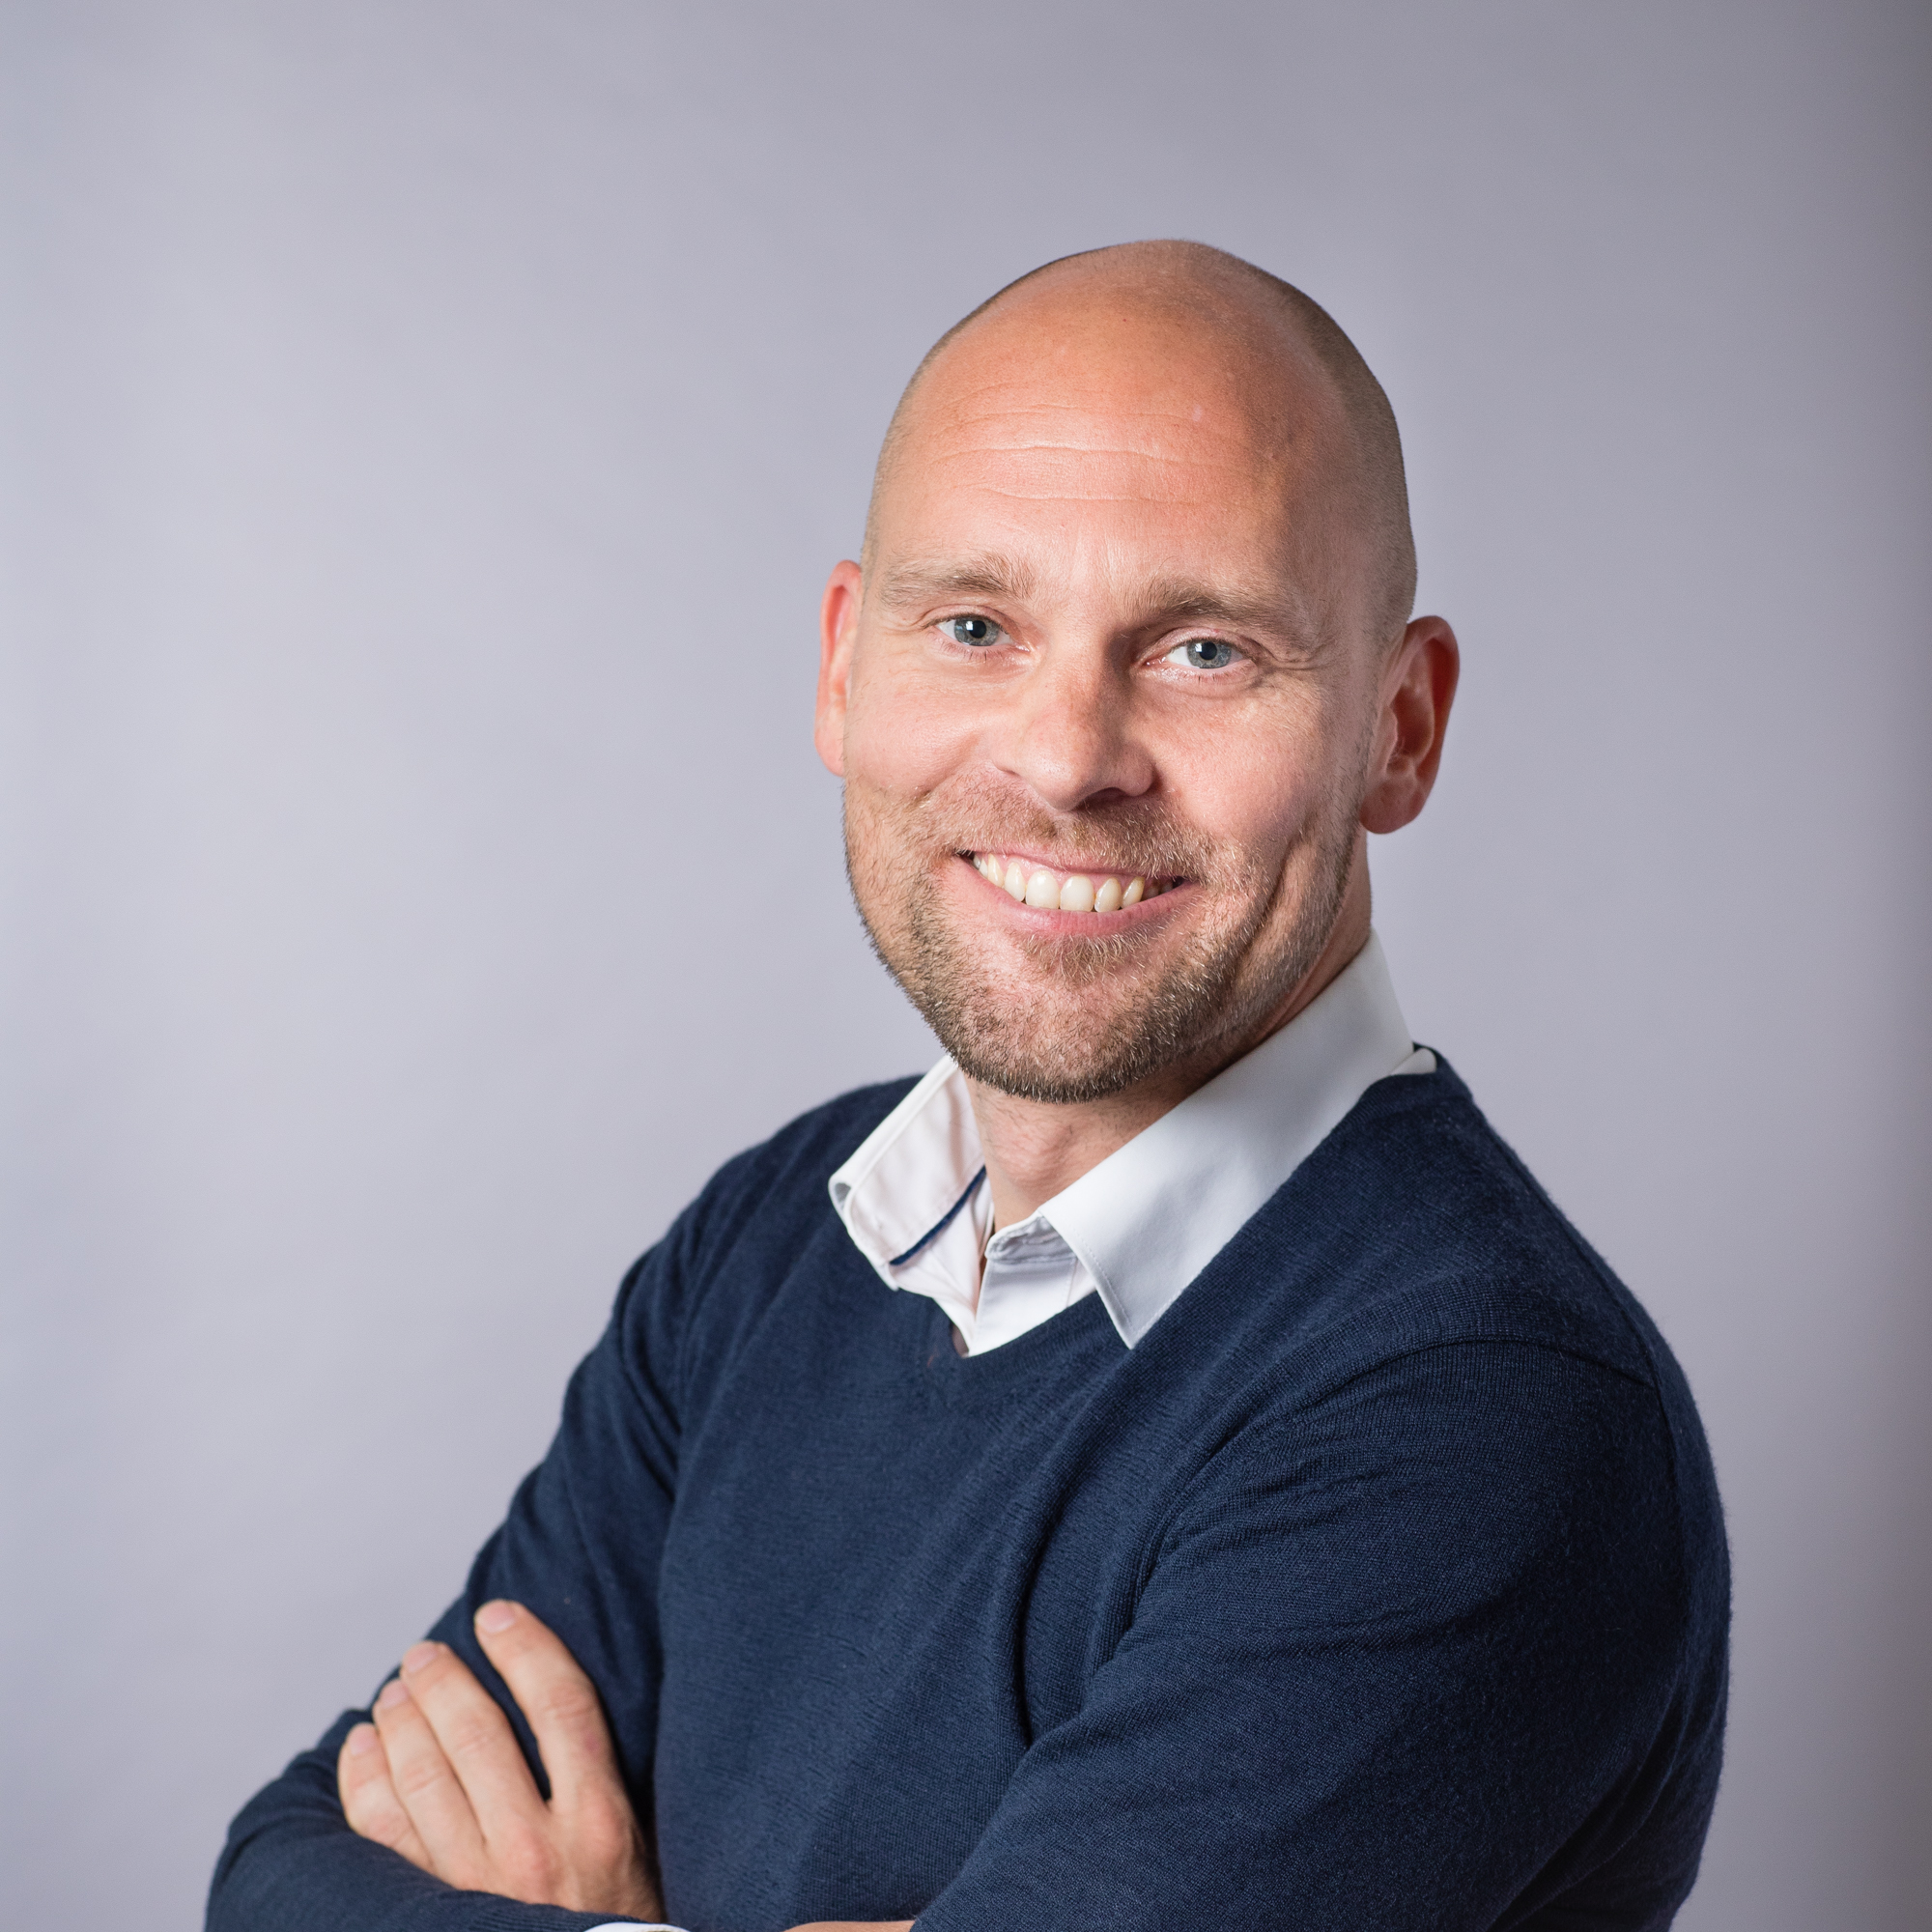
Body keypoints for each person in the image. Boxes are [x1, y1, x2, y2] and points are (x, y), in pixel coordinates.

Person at [208, 241, 1729, 1932]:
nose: (1066, 757)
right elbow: (283, 1876)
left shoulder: (1474, 1414)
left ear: (1401, 727)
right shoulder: (766, 1245)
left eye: (1206, 650)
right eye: (977, 626)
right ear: (845, 667)